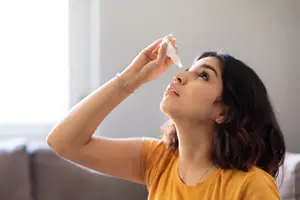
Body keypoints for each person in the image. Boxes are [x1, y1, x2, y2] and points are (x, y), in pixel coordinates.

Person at [47, 34, 285, 199]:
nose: (179, 76)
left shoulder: (252, 186)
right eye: (188, 70)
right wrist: (131, 79)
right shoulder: (157, 161)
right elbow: (64, 142)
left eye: (203, 76)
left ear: (224, 111)